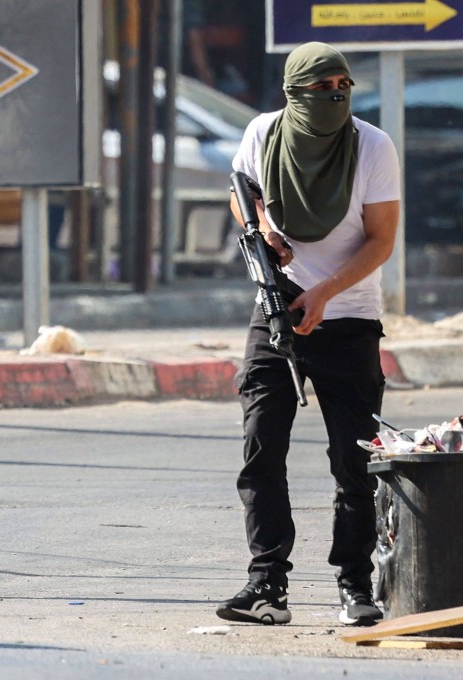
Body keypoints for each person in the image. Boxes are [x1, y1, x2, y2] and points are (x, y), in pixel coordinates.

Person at [215, 42, 400, 628]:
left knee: (354, 460)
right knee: (261, 448)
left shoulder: (372, 146)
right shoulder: (264, 133)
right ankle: (266, 583)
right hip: (274, 310)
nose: (335, 95)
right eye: (322, 86)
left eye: (343, 84)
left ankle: (355, 583)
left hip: (348, 315)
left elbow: (381, 240)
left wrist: (323, 293)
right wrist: (265, 228)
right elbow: (241, 194)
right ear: (295, 92)